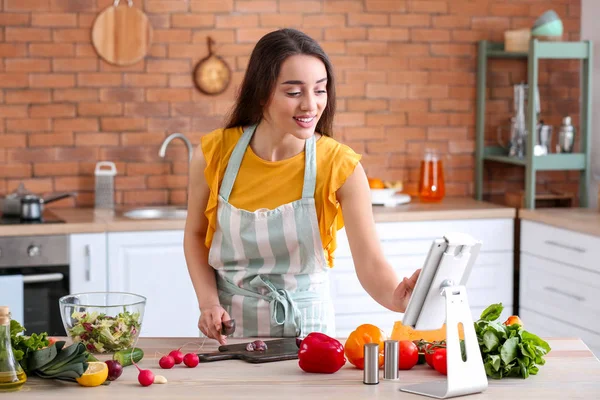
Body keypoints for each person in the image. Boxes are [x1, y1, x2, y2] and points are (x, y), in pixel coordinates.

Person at [183, 28, 420, 345]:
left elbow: (371, 263)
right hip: (230, 332)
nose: (311, 105)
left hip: (310, 336)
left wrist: (398, 299)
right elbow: (196, 235)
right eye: (294, 92)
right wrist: (208, 303)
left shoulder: (340, 165)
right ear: (261, 92)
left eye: (320, 90)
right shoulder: (214, 154)